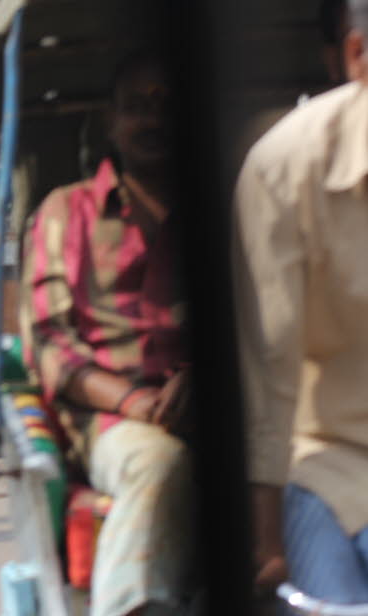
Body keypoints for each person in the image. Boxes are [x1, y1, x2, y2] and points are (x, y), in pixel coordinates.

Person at [20, 51, 194, 616]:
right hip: (109, 418)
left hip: (212, 406)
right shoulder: (65, 212)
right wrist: (135, 401)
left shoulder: (224, 208)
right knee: (159, 463)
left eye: (167, 106)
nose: (154, 119)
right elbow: (49, 342)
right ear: (112, 120)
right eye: (138, 107)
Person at [234, 0, 368, 604]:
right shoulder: (283, 170)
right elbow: (270, 372)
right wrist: (266, 542)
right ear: (357, 56)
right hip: (332, 462)